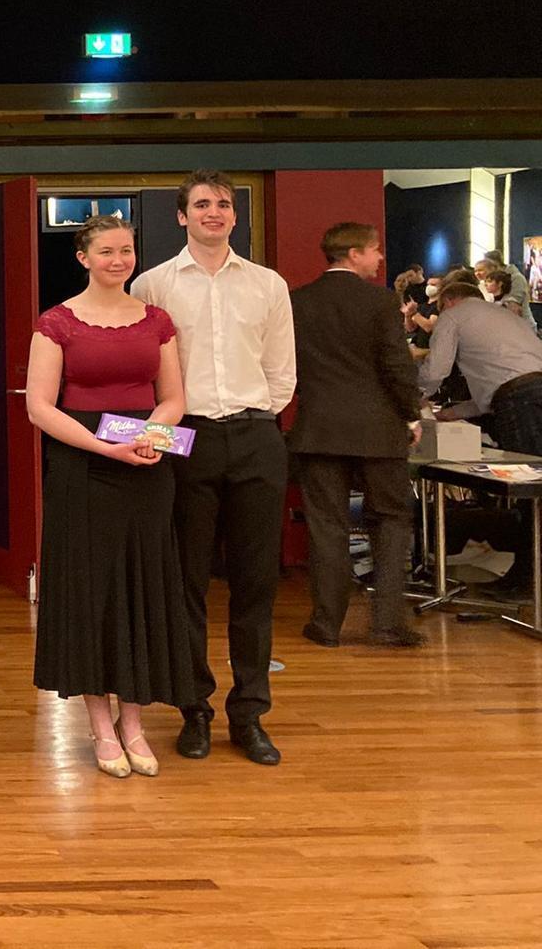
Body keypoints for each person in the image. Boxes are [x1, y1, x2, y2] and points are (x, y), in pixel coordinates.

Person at [132, 169, 295, 767]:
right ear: (182, 216)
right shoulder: (152, 285)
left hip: (255, 434)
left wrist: (257, 418)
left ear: (234, 215)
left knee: (256, 581)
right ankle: (194, 709)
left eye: (223, 204)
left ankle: (249, 713)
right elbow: (145, 373)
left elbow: (281, 370)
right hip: (185, 438)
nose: (213, 212)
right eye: (201, 204)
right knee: (187, 581)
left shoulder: (267, 284)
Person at [27, 215, 193, 778]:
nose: (118, 260)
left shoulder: (157, 320)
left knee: (141, 586)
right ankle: (101, 727)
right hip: (82, 467)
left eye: (126, 250)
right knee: (91, 591)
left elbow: (173, 397)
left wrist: (150, 438)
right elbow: (39, 407)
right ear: (84, 258)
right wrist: (106, 448)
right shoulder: (56, 323)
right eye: (106, 251)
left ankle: (135, 724)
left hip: (147, 465)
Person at [288, 223, 424, 650]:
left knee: (326, 526)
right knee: (391, 521)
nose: (379, 258)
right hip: (378, 428)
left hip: (318, 428)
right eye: (374, 250)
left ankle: (326, 624)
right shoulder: (380, 301)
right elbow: (396, 365)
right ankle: (387, 623)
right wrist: (412, 416)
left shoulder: (297, 300)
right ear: (353, 253)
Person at [418, 278, 542, 598]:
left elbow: (436, 371)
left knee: (528, 489)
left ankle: (526, 578)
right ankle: (529, 576)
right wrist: (454, 412)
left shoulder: (453, 316)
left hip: (518, 401)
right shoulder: (504, 317)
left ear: (448, 301)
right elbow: (501, 383)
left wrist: (412, 398)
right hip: (531, 391)